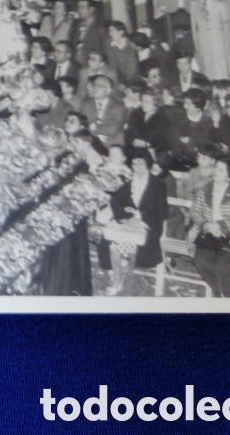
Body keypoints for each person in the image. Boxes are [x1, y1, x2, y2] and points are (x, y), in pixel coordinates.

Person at [99, 149, 169, 295]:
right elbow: (116, 202)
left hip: (148, 226)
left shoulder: (158, 185)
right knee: (113, 243)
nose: (138, 168)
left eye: (141, 164)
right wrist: (126, 219)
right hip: (128, 223)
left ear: (148, 164)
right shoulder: (128, 183)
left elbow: (162, 212)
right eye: (134, 164)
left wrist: (143, 222)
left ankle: (125, 268)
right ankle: (118, 278)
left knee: (123, 246)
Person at [188, 156, 230, 297]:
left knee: (222, 266)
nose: (216, 171)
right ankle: (229, 295)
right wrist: (207, 225)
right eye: (216, 167)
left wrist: (220, 225)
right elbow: (195, 212)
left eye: (221, 170)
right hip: (207, 238)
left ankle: (227, 298)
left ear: (229, 176)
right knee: (200, 262)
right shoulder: (204, 188)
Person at [123, 88, 171, 157]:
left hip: (152, 151)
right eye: (142, 100)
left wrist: (146, 144)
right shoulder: (135, 114)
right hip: (132, 149)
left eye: (147, 102)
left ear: (155, 103)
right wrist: (132, 140)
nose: (143, 104)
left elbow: (162, 141)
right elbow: (127, 133)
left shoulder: (162, 119)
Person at [83, 74, 126, 147]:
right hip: (90, 143)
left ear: (108, 90)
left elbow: (114, 129)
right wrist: (97, 136)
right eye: (94, 85)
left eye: (99, 86)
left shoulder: (119, 107)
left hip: (111, 144)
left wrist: (95, 127)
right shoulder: (86, 104)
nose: (95, 88)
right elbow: (82, 125)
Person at [72, 0, 107, 67]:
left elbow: (105, 49)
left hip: (94, 66)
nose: (79, 10)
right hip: (78, 65)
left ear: (91, 9)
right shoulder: (75, 25)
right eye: (78, 7)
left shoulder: (100, 26)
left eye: (82, 7)